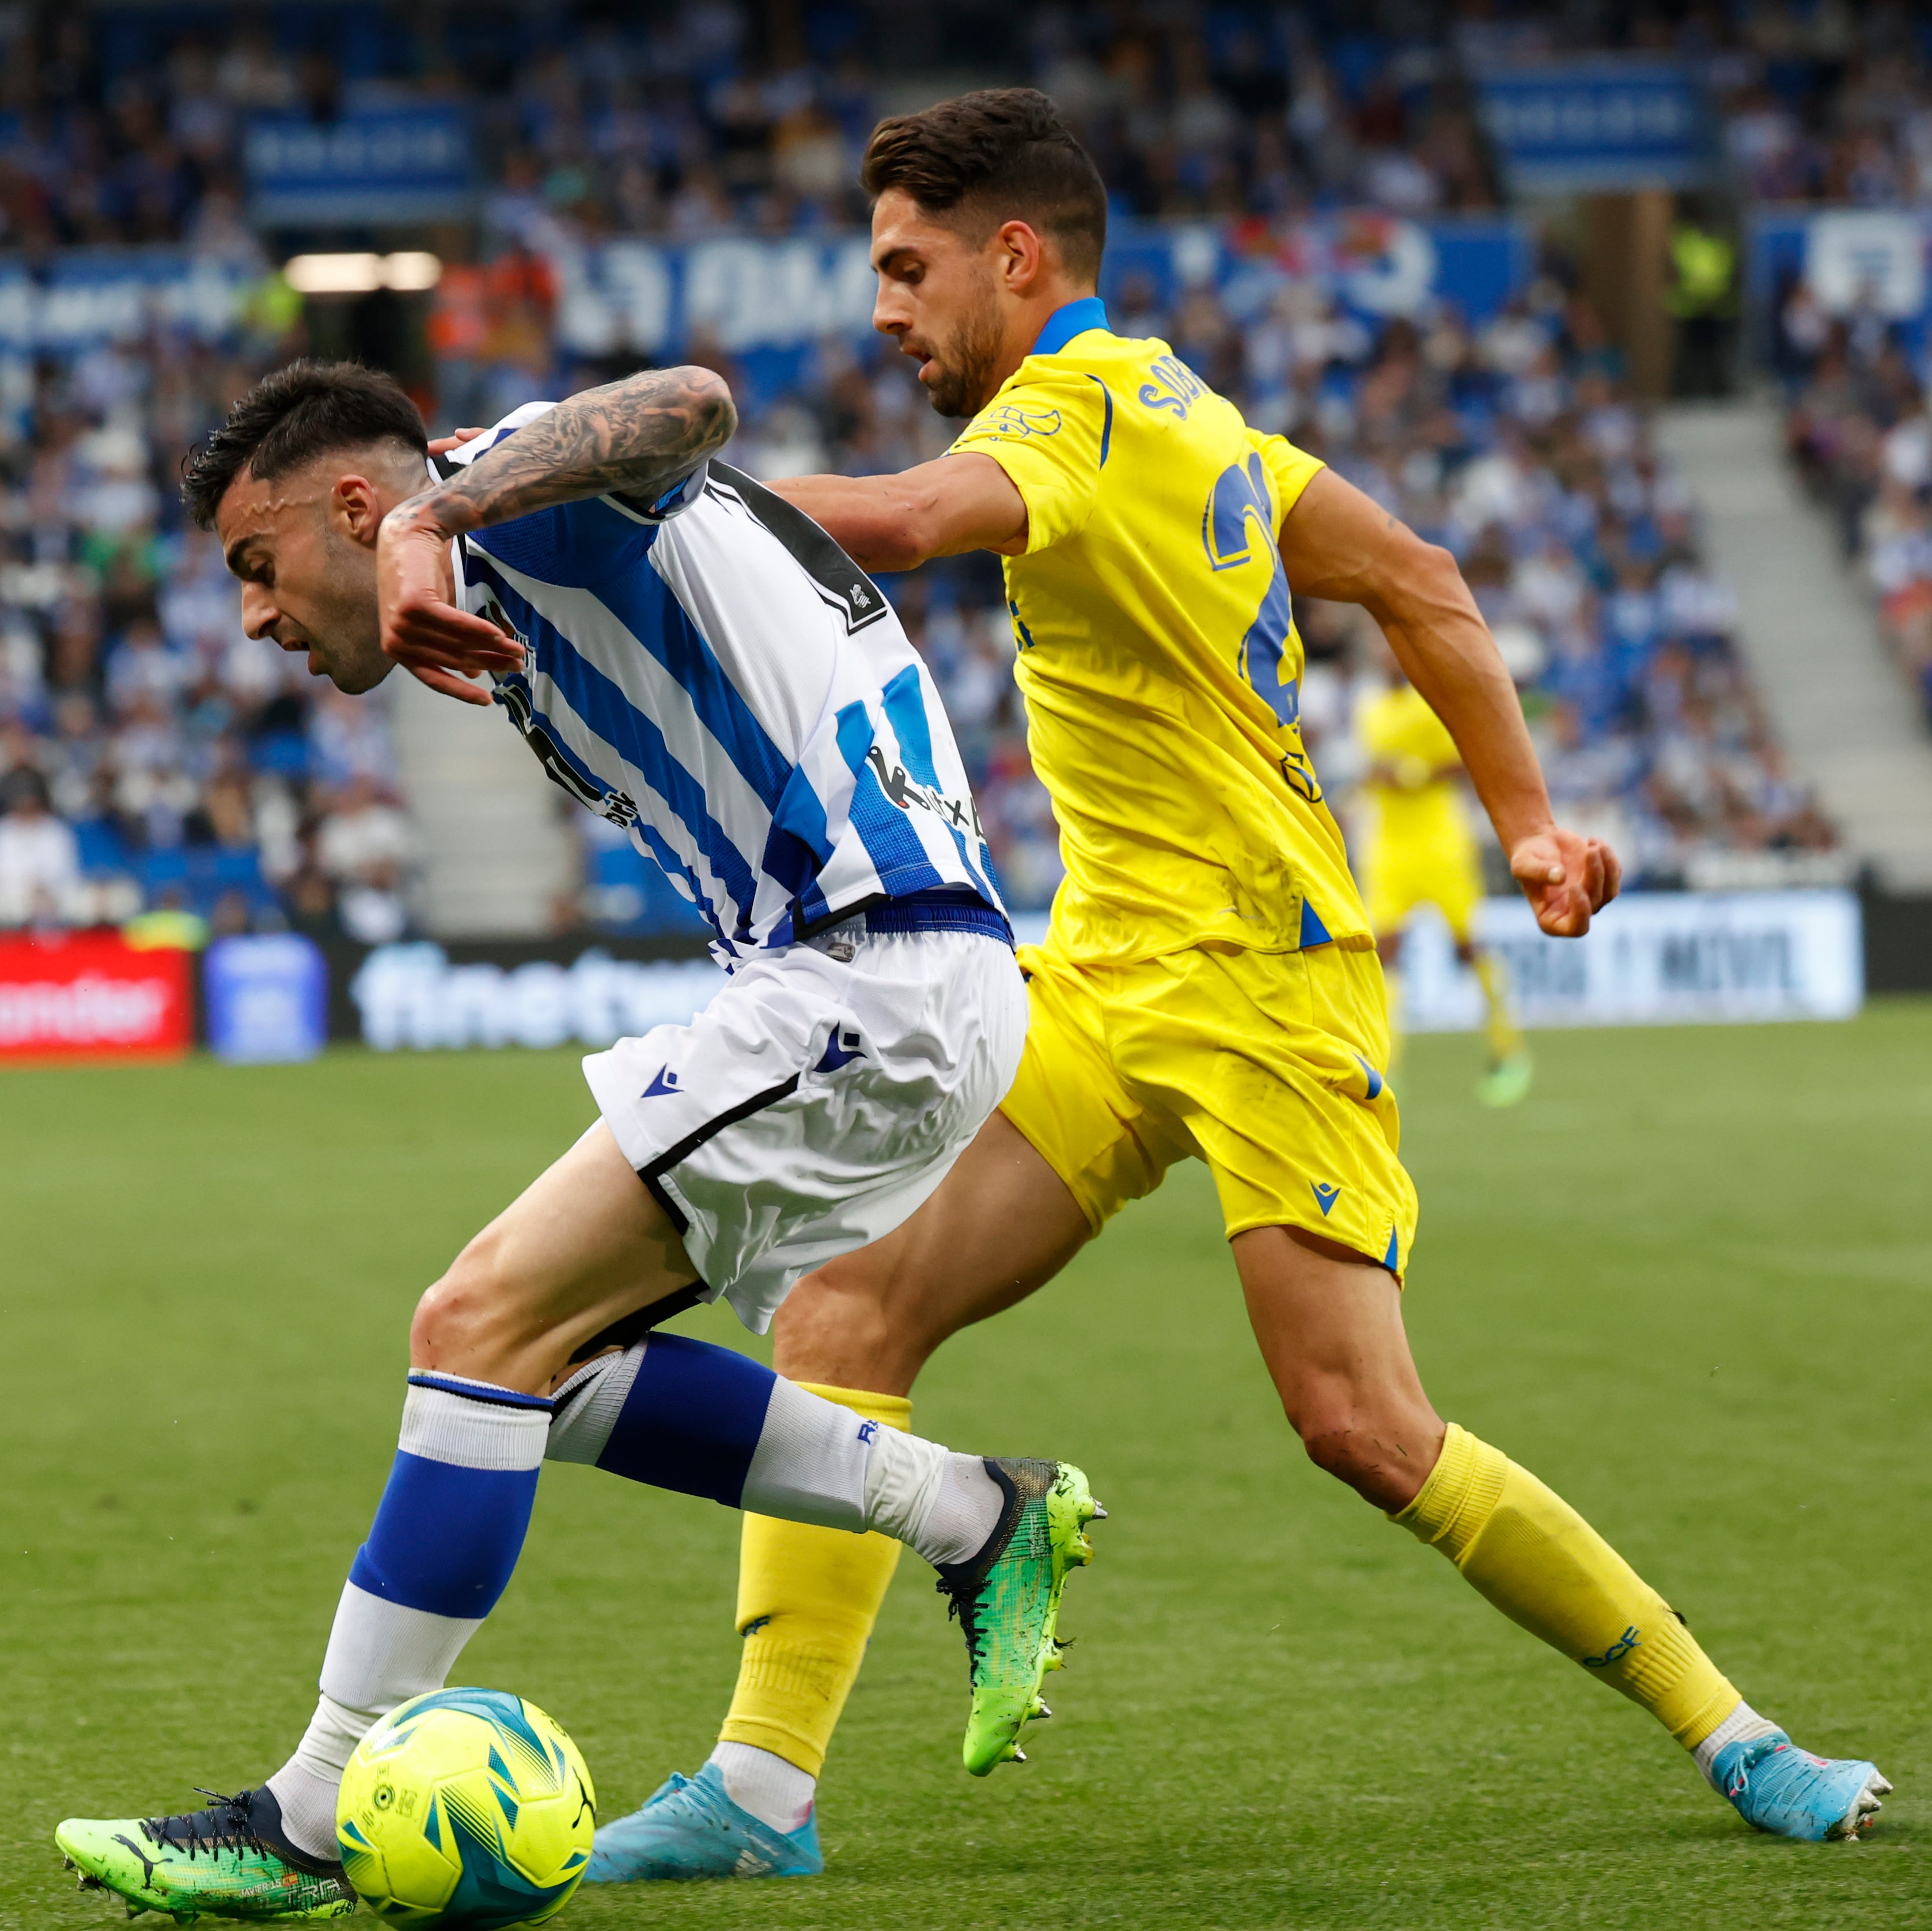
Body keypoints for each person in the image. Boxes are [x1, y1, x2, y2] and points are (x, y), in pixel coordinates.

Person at [521, 89, 1884, 1879]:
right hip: (1098, 974)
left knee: (1358, 1426)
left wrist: (649, 499)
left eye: (905, 268)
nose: (881, 310)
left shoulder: (1074, 411)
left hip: (1262, 986)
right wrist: (1532, 827)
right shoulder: (1192, 414)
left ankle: (1739, 1733)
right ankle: (757, 1791)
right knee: (843, 1316)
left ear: (1017, 256)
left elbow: (920, 522)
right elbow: (1422, 580)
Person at [54, 359, 1101, 1920]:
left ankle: (315, 1812)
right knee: (541, 1366)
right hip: (878, 979)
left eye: (257, 567)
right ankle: (976, 1514)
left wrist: (434, 517)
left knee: (473, 1324)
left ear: (356, 502)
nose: (258, 618)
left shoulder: (525, 502)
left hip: (870, 970)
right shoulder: (523, 524)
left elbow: (691, 400)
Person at [1354, 631, 1533, 1105]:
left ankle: (1507, 1053)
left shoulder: (1430, 704)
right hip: (1389, 846)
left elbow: (1464, 762)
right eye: (1380, 649)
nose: (1385, 656)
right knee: (1384, 954)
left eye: (1393, 648)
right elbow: (1374, 767)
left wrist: (1412, 773)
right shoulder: (1369, 709)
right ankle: (1387, 1070)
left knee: (1467, 948)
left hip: (1441, 843)